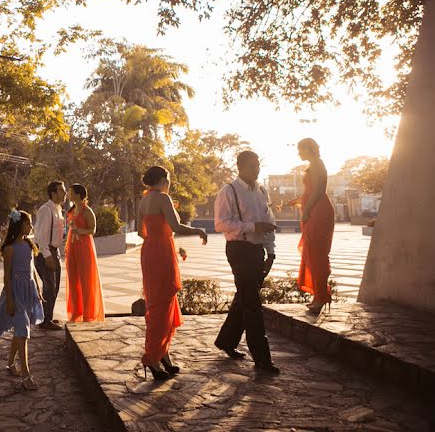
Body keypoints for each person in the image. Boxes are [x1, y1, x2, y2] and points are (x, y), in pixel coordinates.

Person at [137, 166, 208, 381]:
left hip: (149, 251)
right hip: (161, 251)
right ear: (163, 179)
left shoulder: (144, 200)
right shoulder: (162, 198)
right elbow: (176, 226)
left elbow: (142, 232)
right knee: (162, 304)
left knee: (158, 303)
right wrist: (197, 230)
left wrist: (157, 239)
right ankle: (152, 358)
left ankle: (163, 356)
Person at [213, 151, 280, 375]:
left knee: (244, 297)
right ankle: (262, 358)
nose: (257, 169)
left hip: (257, 251)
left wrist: (270, 253)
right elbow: (221, 223)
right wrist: (253, 227)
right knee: (252, 302)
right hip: (238, 250)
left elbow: (269, 223)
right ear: (240, 166)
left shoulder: (261, 191)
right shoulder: (229, 191)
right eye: (252, 166)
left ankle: (226, 341)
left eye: (258, 165)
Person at [0, 209, 44, 391]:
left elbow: (32, 271)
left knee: (20, 330)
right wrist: (10, 300)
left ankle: (10, 363)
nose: (30, 226)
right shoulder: (9, 249)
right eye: (28, 223)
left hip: (28, 292)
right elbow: (7, 277)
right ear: (19, 224)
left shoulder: (29, 246)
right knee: (23, 331)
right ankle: (26, 374)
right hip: (15, 292)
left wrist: (37, 289)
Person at [290, 138, 336, 314]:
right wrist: (298, 201)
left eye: (300, 150)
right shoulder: (314, 164)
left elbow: (319, 191)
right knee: (313, 252)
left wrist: (307, 208)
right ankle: (320, 295)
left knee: (317, 254)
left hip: (318, 211)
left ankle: (321, 296)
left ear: (308, 149)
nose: (298, 153)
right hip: (315, 208)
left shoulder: (317, 164)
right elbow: (311, 191)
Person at [65, 183, 105, 323]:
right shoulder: (71, 210)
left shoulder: (87, 211)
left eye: (70, 192)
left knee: (86, 280)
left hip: (84, 247)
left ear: (78, 194)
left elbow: (92, 230)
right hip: (72, 247)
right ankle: (76, 311)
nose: (68, 194)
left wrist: (80, 231)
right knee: (73, 280)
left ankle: (89, 313)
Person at [33, 180, 66, 331]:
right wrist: (47, 255)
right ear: (53, 193)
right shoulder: (46, 210)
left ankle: (48, 317)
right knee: (49, 287)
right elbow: (40, 234)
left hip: (54, 251)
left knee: (55, 286)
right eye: (61, 190)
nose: (64, 193)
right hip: (45, 252)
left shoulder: (58, 209)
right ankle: (45, 320)